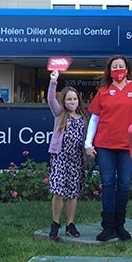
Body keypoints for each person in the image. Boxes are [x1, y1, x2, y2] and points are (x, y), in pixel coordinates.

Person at [85, 54, 132, 241]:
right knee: (108, 184)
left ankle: (120, 225)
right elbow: (94, 119)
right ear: (110, 71)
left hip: (128, 146)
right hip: (104, 145)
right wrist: (88, 143)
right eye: (114, 66)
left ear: (127, 69)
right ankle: (108, 226)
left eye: (121, 66)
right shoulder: (103, 91)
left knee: (125, 185)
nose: (118, 70)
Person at [46, 69, 89, 239]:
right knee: (58, 191)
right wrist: (53, 81)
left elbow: (87, 139)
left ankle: (70, 224)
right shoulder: (60, 114)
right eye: (69, 99)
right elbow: (50, 99)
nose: (72, 101)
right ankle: (55, 223)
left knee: (73, 193)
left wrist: (89, 151)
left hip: (76, 160)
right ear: (63, 101)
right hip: (60, 159)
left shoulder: (84, 118)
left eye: (75, 98)